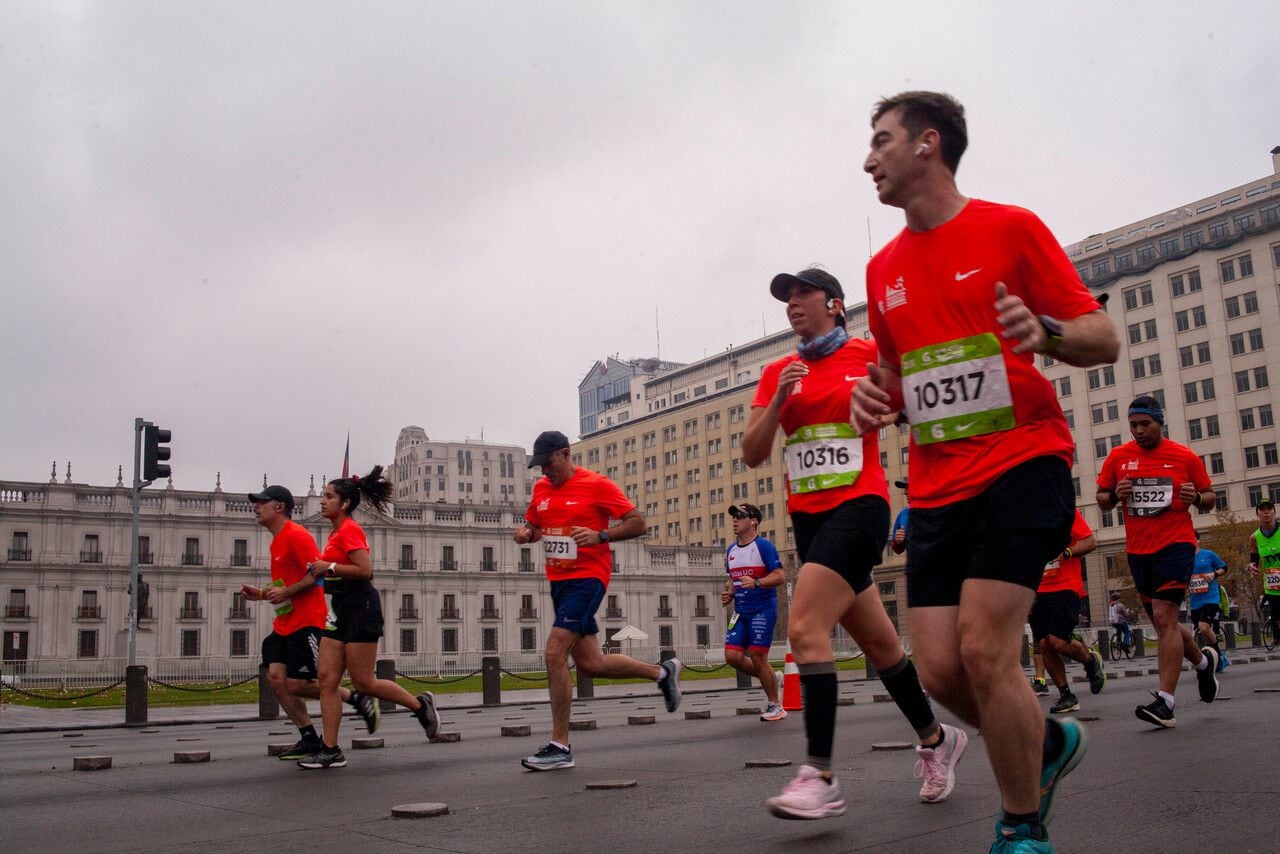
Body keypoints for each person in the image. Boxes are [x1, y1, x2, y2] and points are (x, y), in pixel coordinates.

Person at [851, 91, 1120, 852]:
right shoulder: (881, 271)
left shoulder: (1011, 228)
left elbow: (1105, 337)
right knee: (936, 671)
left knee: (984, 649)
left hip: (1023, 459)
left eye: (881, 141)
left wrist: (1049, 331)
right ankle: (1048, 744)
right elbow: (897, 376)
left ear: (928, 143)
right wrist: (880, 396)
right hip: (938, 484)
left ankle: (1020, 825)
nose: (868, 159)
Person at [750, 268, 966, 821]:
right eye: (787, 298)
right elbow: (752, 452)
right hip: (809, 521)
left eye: (803, 294)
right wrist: (778, 399)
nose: (793, 305)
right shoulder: (778, 370)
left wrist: (892, 409)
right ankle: (937, 739)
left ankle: (819, 775)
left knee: (804, 629)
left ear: (835, 304)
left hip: (861, 508)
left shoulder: (869, 355)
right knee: (883, 647)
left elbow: (920, 408)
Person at [513, 430, 681, 771]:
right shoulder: (542, 489)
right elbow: (535, 524)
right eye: (540, 466)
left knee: (553, 652)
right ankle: (662, 673)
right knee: (591, 663)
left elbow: (638, 522)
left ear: (565, 453)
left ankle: (560, 745)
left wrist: (601, 535)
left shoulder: (597, 485)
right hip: (558, 581)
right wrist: (526, 533)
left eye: (549, 463)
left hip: (588, 580)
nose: (545, 471)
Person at [299, 468, 440, 769]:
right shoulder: (336, 532)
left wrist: (330, 567)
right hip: (339, 609)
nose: (322, 502)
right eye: (322, 496)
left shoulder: (350, 529)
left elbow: (365, 570)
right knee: (327, 679)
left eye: (328, 497)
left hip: (361, 606)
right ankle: (331, 749)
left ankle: (420, 705)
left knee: (363, 682)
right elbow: (330, 571)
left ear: (345, 503)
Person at [1097, 396, 1219, 730]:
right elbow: (1101, 498)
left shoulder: (1183, 456)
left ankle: (1165, 703)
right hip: (1139, 551)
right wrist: (1114, 495)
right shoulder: (1119, 457)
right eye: (1133, 425)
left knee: (1166, 616)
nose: (1138, 431)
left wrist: (1196, 498)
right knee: (1163, 626)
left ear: (1158, 422)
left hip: (1176, 545)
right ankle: (1203, 663)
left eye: (1144, 424)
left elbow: (1210, 497)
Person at [242, 485, 379, 760]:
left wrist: (286, 592)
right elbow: (286, 583)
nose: (256, 507)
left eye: (261, 502)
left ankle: (358, 700)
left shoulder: (297, 535)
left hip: (306, 621)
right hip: (285, 621)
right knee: (277, 678)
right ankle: (308, 737)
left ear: (279, 507)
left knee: (300, 683)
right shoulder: (277, 541)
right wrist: (261, 594)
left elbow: (316, 576)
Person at [1029, 511, 1105, 715]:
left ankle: (1090, 660)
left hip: (1065, 586)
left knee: (1058, 641)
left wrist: (1068, 552)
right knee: (1044, 644)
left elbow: (1090, 542)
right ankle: (1066, 696)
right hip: (1037, 590)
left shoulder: (1064, 511)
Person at [720, 502, 787, 720]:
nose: (735, 520)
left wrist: (757, 583)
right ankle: (773, 677)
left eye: (740, 516)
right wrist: (730, 592)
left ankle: (775, 705)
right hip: (740, 612)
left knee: (758, 657)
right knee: (732, 657)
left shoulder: (764, 546)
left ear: (753, 522)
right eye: (734, 517)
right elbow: (733, 578)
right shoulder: (730, 550)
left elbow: (780, 576)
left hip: (763, 610)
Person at [1188, 532, 1228, 669]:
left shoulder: (1208, 555)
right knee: (1200, 632)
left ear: (1198, 540)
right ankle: (1215, 658)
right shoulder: (1184, 559)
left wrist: (1214, 574)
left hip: (1211, 598)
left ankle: (1218, 656)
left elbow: (1224, 567)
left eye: (1191, 538)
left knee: (1204, 627)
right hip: (1194, 601)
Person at [1247, 498, 1280, 641]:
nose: (1266, 513)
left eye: (1269, 509)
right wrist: (1251, 566)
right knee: (1276, 612)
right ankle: (1278, 638)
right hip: (1271, 581)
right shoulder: (1254, 537)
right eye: (1262, 510)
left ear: (1274, 512)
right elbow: (1254, 559)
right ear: (1258, 514)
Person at [891, 479, 910, 556]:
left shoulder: (934, 510)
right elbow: (897, 549)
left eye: (909, 487)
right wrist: (898, 542)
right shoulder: (903, 513)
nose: (905, 492)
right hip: (915, 563)